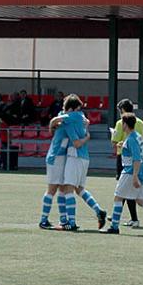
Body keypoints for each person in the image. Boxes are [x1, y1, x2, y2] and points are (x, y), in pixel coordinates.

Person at [102, 113, 143, 236]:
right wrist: (123, 145)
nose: (121, 125)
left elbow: (136, 159)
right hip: (140, 172)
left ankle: (114, 226)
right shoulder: (136, 136)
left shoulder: (131, 139)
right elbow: (136, 152)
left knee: (118, 197)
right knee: (141, 200)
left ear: (126, 125)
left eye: (122, 123)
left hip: (129, 172)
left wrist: (134, 176)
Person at [49, 95, 107, 231]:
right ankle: (99, 211)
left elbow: (74, 142)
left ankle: (71, 223)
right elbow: (86, 122)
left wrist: (53, 125)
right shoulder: (81, 117)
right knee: (79, 188)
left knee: (68, 188)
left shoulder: (70, 117)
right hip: (84, 157)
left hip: (74, 156)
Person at [110, 99, 143, 227]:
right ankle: (122, 216)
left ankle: (129, 218)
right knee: (126, 188)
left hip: (124, 158)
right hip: (139, 159)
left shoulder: (120, 123)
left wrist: (114, 137)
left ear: (123, 110)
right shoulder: (140, 122)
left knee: (123, 188)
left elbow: (114, 141)